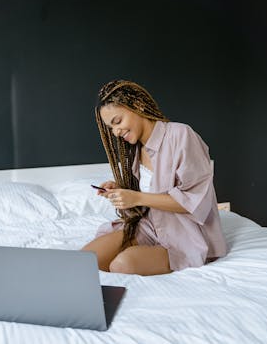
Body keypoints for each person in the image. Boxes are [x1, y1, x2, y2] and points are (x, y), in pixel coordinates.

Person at [82, 80, 227, 276]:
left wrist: (137, 198)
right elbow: (147, 191)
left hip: (185, 235)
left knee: (121, 265)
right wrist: (120, 190)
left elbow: (194, 201)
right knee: (84, 260)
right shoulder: (134, 151)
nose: (116, 132)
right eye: (110, 128)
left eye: (117, 122)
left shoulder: (181, 135)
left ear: (138, 106)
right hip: (149, 226)